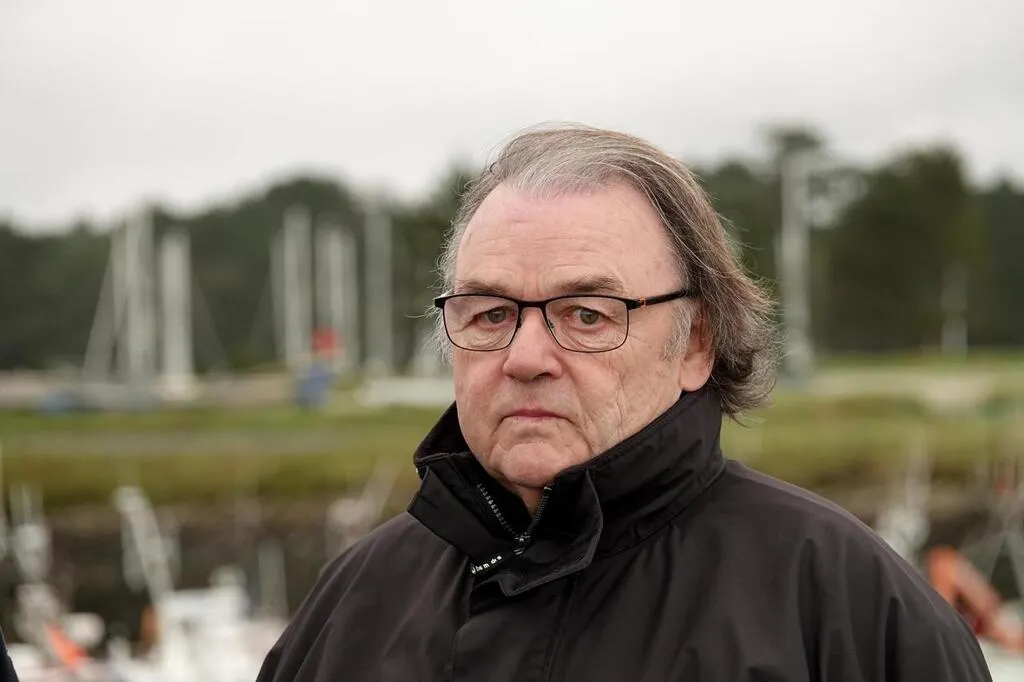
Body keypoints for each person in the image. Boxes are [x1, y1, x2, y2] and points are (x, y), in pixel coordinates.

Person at [256, 123, 992, 681]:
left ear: (696, 343)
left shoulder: (846, 610)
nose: (525, 358)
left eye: (587, 314)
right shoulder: (356, 603)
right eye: (490, 314)